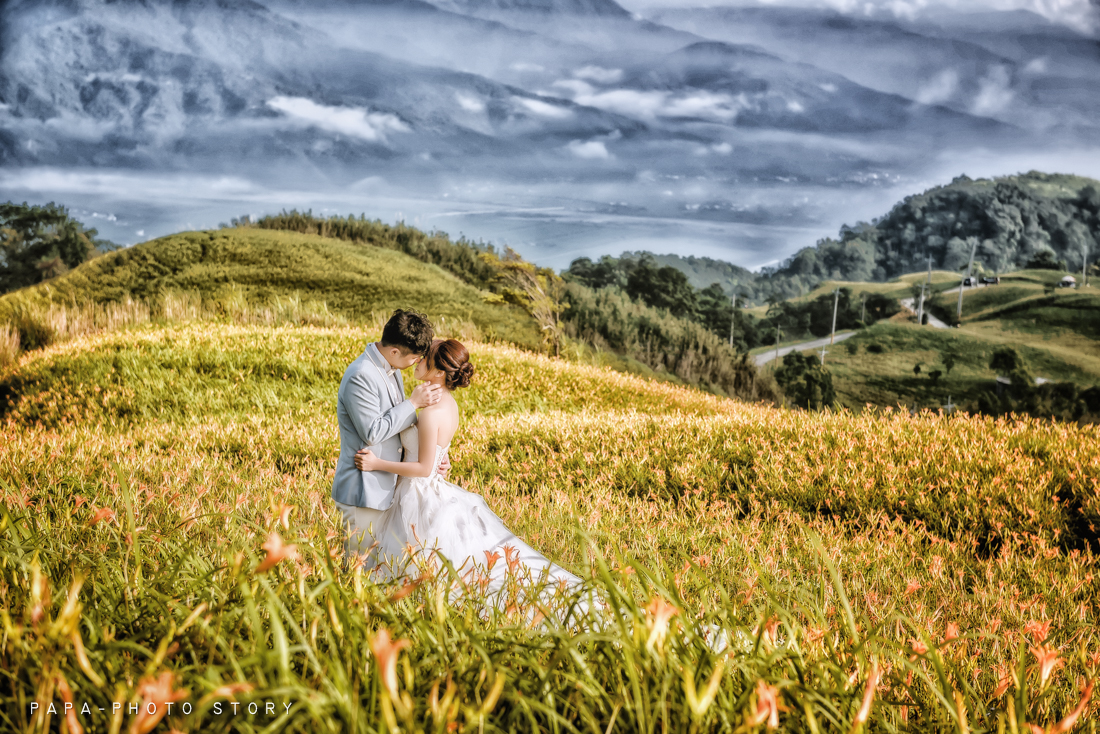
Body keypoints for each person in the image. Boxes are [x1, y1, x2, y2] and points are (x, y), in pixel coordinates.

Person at [353, 338, 584, 614]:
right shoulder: (449, 404)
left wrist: (377, 463)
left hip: (418, 493)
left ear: (438, 372)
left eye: (425, 357)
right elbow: (437, 452)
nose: (418, 360)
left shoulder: (429, 414)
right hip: (434, 487)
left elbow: (424, 468)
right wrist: (441, 458)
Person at [331, 309, 450, 560]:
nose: (417, 363)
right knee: (358, 566)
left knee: (378, 567)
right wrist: (413, 403)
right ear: (395, 351)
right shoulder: (361, 375)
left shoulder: (392, 367)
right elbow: (373, 432)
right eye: (415, 358)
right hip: (364, 489)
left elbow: (401, 428)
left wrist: (434, 458)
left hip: (388, 489)